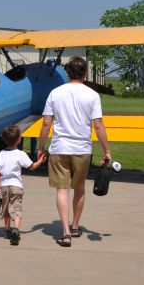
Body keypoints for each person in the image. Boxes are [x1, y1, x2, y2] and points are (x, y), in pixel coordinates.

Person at [38, 56, 111, 247]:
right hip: (82, 149)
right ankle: (76, 226)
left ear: (68, 72)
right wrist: (106, 151)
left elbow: (46, 123)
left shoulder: (55, 93)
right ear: (85, 73)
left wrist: (41, 147)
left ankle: (65, 233)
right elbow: (99, 125)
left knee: (62, 190)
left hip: (59, 148)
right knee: (79, 188)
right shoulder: (92, 95)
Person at [0, 125, 47, 246]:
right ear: (19, 139)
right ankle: (16, 230)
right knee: (16, 208)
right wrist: (40, 161)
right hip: (16, 186)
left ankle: (7, 231)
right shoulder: (20, 154)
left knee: (6, 208)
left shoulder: (1, 153)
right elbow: (31, 167)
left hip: (3, 186)